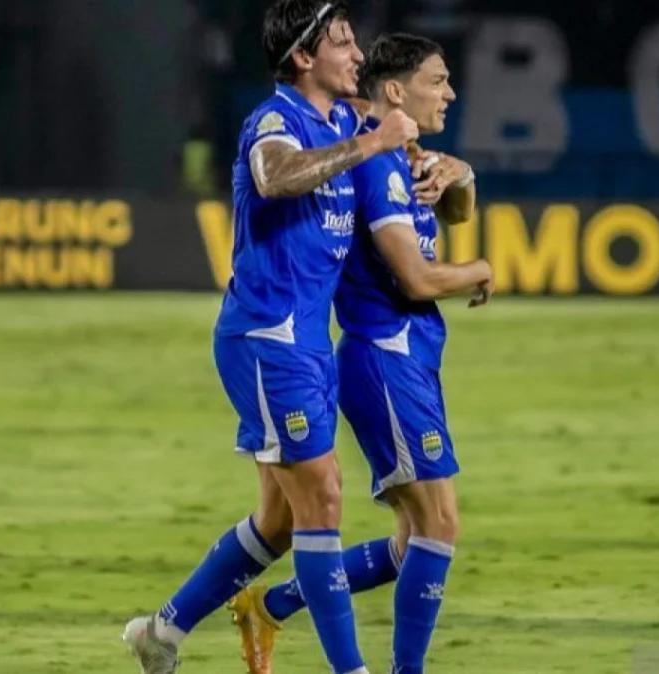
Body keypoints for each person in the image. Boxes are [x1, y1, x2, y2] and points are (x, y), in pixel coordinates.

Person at [121, 2, 417, 673]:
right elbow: (275, 175)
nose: (358, 55)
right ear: (304, 57)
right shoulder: (275, 121)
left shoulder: (342, 120)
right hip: (267, 339)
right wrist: (374, 143)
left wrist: (449, 169)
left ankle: (162, 633)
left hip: (308, 342)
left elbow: (397, 133)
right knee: (325, 495)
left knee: (280, 522)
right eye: (342, 42)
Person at [226, 33, 491, 674]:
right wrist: (481, 270)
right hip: (385, 354)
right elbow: (416, 280)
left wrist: (458, 172)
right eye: (438, 80)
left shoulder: (399, 156)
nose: (451, 93)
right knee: (439, 524)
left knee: (411, 540)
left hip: (408, 354)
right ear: (395, 91)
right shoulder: (373, 162)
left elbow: (454, 211)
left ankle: (274, 605)